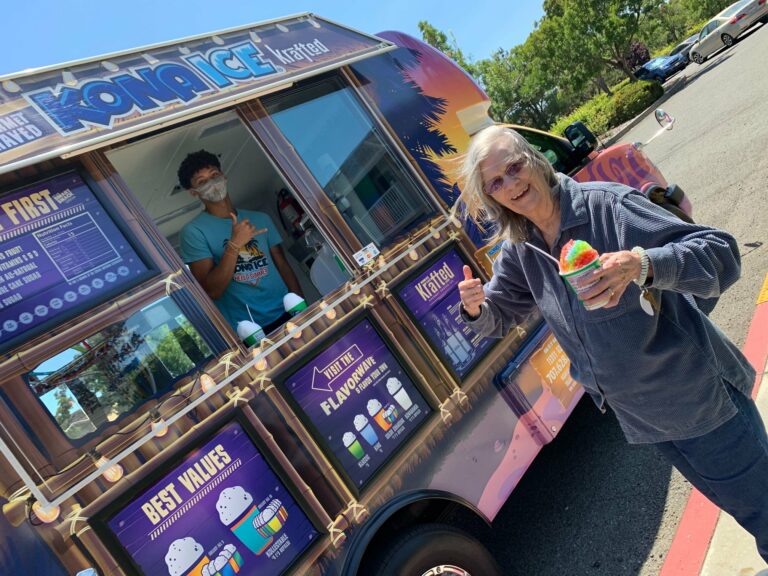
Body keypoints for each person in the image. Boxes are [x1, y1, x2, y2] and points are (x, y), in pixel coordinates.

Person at [456, 125, 768, 561]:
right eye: (495, 182)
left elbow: (721, 253)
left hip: (699, 399)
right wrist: (475, 308)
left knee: (764, 512)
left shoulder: (609, 206)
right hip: (645, 419)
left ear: (535, 160)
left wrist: (641, 264)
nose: (510, 184)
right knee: (745, 509)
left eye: (514, 167)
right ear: (490, 196)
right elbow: (498, 317)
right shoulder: (521, 250)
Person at [178, 150, 303, 334]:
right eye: (202, 181)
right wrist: (234, 244)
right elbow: (212, 291)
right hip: (252, 329)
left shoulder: (260, 218)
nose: (212, 183)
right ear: (194, 193)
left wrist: (303, 307)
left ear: (224, 176)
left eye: (214, 175)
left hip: (289, 309)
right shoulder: (193, 232)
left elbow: (282, 265)